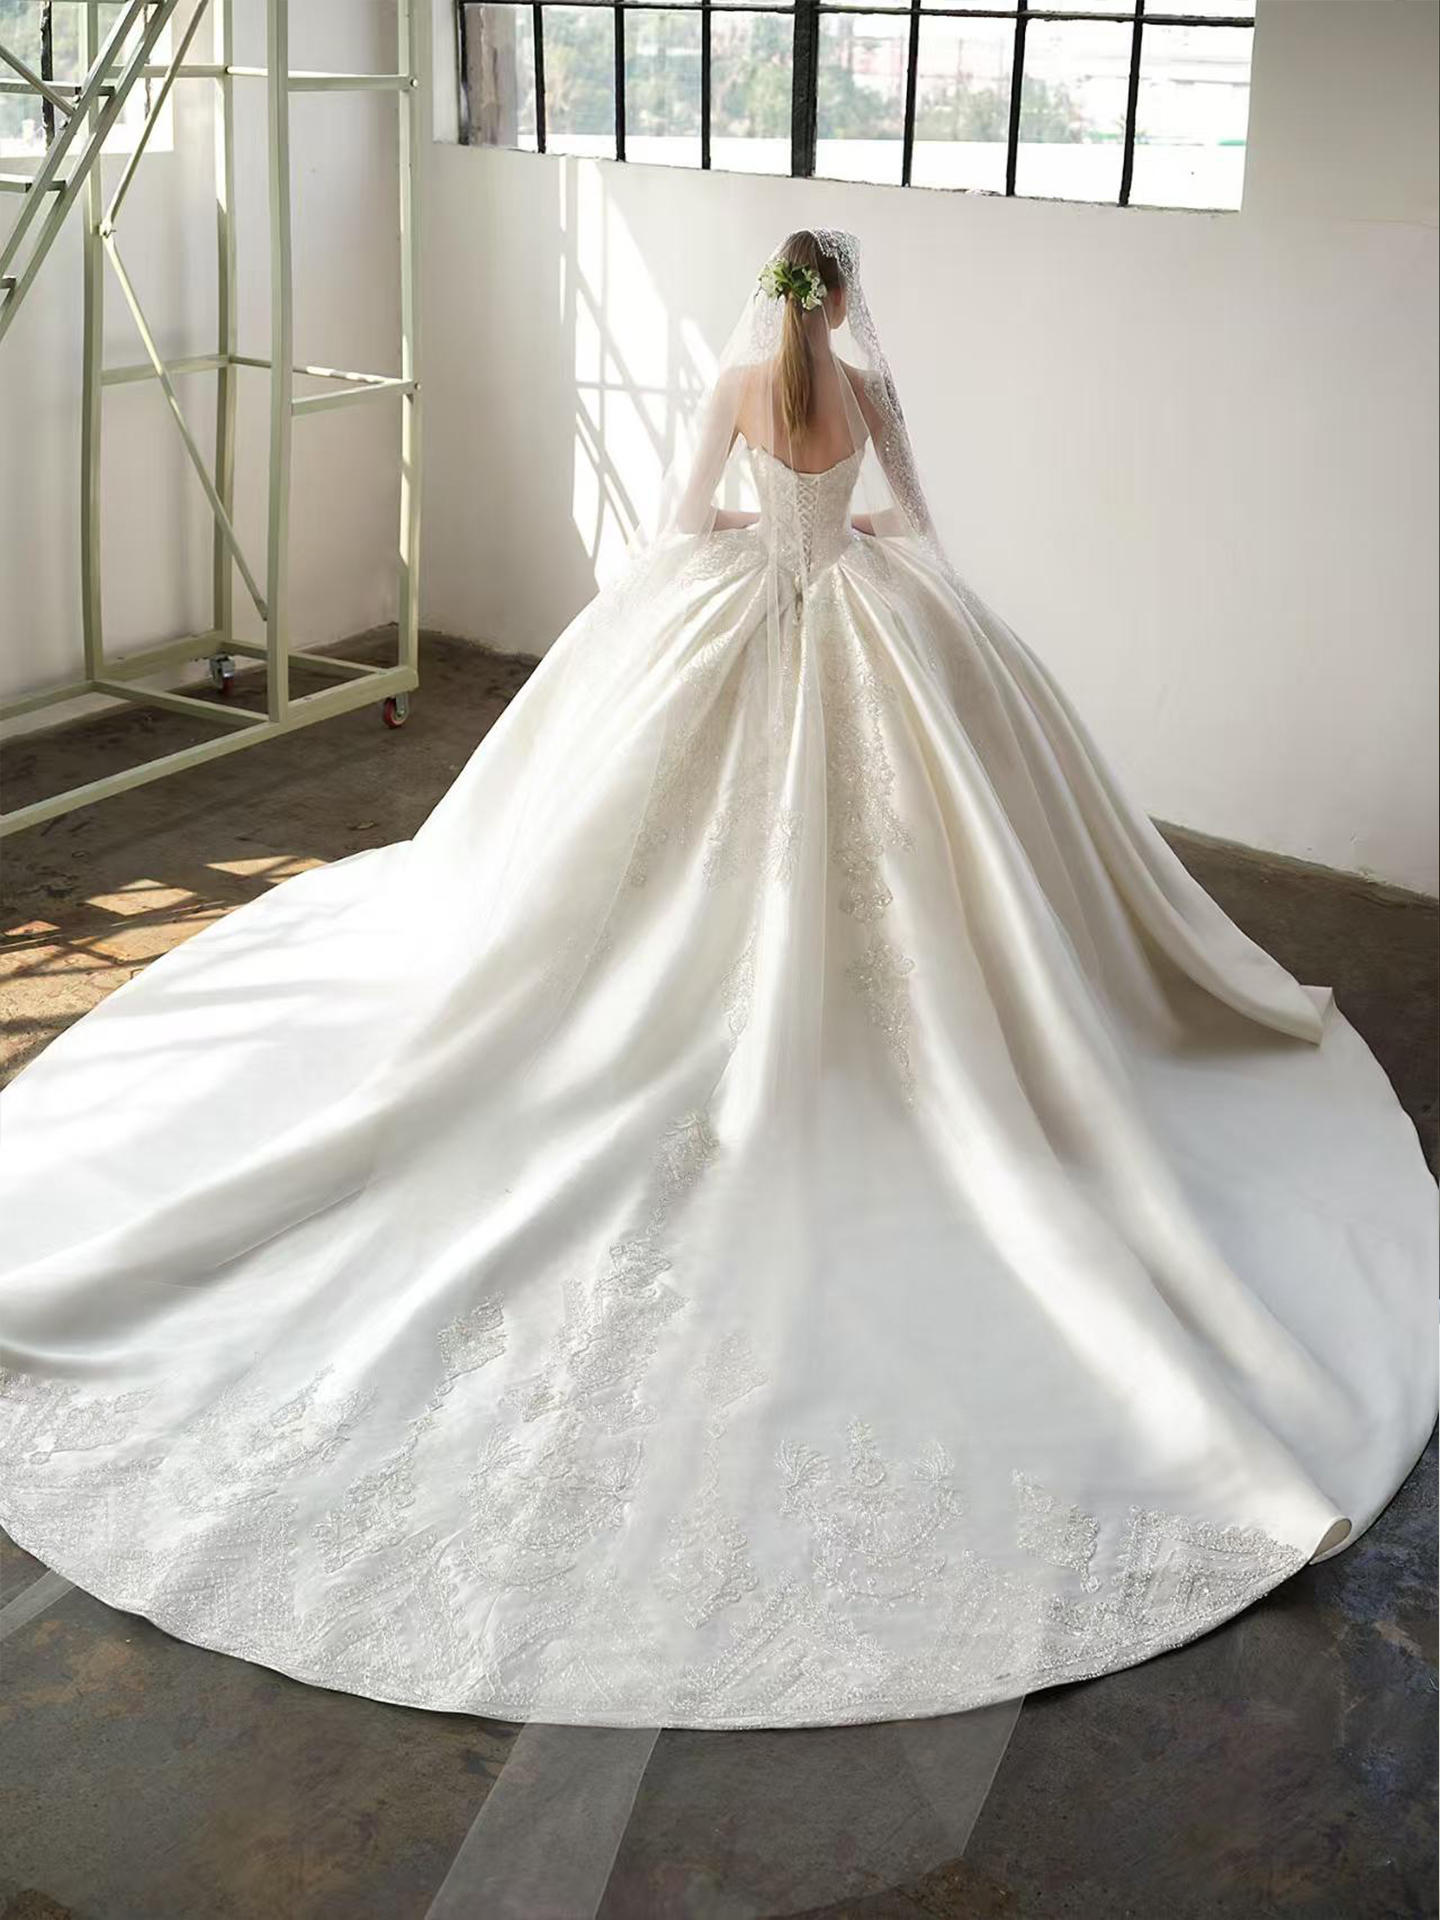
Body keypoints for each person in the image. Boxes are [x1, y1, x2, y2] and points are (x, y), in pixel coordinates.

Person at [0, 228, 1433, 1732]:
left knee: (665, 866)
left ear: (774, 295)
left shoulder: (742, 383)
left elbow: (684, 524)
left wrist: (758, 532)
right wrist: (842, 541)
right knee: (932, 856)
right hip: (867, 617)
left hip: (745, 610)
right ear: (845, 296)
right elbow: (912, 525)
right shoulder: (869, 392)